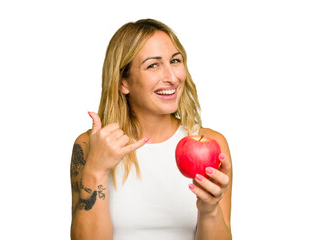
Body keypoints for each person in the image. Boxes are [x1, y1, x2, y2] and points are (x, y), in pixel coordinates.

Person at [70, 19, 232, 240]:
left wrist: (209, 211)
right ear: (123, 82)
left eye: (175, 61)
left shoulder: (213, 144)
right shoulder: (91, 145)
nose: (172, 77)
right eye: (153, 65)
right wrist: (95, 171)